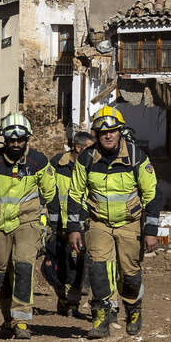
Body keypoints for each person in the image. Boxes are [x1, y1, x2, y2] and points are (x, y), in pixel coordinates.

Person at [67, 106, 159, 339]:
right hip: (98, 223)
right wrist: (74, 228)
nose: (108, 136)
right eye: (103, 132)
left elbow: (152, 195)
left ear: (120, 132)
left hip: (130, 223)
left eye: (113, 131)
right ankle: (101, 317)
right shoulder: (86, 158)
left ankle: (133, 309)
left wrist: (151, 231)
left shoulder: (137, 156)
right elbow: (75, 194)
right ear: (96, 135)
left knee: (129, 273)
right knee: (99, 270)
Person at [0, 113, 59, 339]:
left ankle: (22, 322)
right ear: (5, 140)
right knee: (1, 272)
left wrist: (57, 226)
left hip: (27, 222)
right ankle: (8, 319)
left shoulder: (38, 161)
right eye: (12, 140)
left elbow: (51, 193)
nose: (16, 144)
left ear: (27, 139)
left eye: (20, 140)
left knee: (23, 266)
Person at [49, 130, 95, 317]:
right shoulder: (56, 165)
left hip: (81, 224)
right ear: (78, 148)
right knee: (60, 263)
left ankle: (73, 302)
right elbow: (46, 191)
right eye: (89, 149)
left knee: (80, 263)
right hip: (59, 224)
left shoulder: (91, 166)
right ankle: (62, 298)